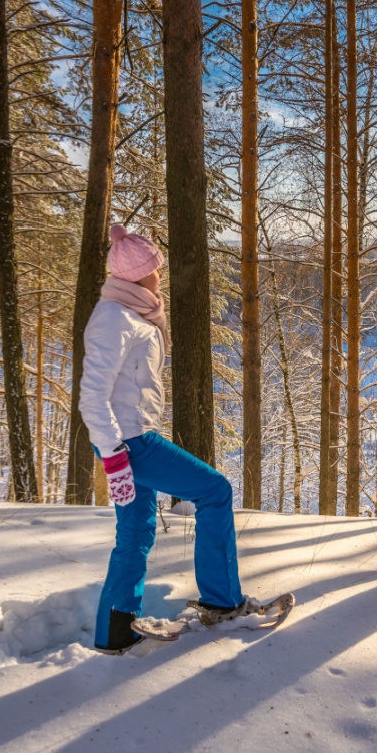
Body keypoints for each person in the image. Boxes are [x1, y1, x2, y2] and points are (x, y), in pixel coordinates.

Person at [80, 225, 249, 654]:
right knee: (215, 490)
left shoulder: (132, 313)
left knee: (136, 531)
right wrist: (115, 457)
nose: (160, 276)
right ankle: (222, 602)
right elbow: (92, 396)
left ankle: (115, 633)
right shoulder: (115, 319)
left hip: (128, 440)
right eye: (156, 270)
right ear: (139, 275)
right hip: (133, 443)